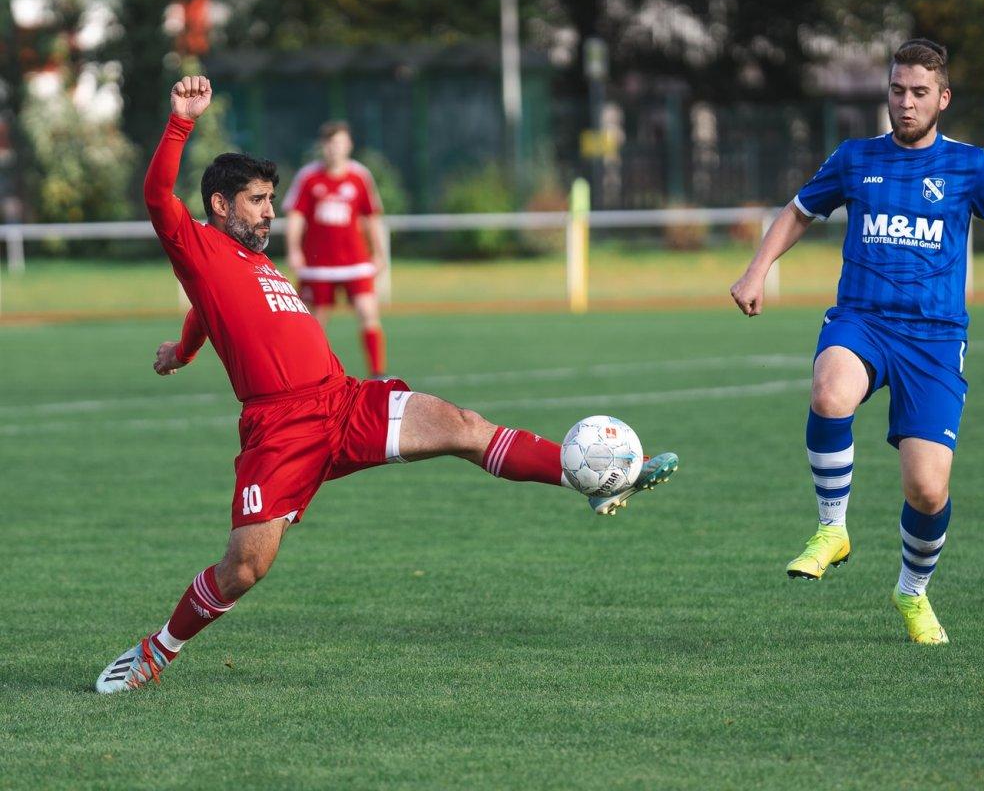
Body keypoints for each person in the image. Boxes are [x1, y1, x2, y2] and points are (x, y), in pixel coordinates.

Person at [95, 76, 678, 694]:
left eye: (271, 198)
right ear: (220, 204)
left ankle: (588, 476)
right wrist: (181, 120)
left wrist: (182, 349)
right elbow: (158, 194)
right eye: (259, 200)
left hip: (345, 401)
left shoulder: (255, 259)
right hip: (282, 428)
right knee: (244, 568)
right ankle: (157, 650)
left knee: (464, 426)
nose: (273, 210)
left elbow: (205, 312)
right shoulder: (197, 245)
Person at [730, 39, 984, 644]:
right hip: (862, 320)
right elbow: (797, 212)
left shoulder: (970, 166)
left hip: (935, 339)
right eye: (897, 91)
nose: (905, 103)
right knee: (829, 391)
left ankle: (912, 591)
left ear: (942, 99)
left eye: (919, 93)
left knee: (926, 489)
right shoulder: (854, 157)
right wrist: (756, 269)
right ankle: (832, 528)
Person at [284, 121, 389, 377]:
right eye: (330, 144)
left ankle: (377, 374)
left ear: (349, 145)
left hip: (355, 261)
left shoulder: (359, 176)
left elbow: (371, 217)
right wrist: (294, 249)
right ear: (323, 146)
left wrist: (379, 253)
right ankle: (307, 374)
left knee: (368, 312)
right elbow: (296, 216)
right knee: (313, 322)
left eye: (340, 143)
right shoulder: (309, 177)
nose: (335, 149)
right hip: (318, 265)